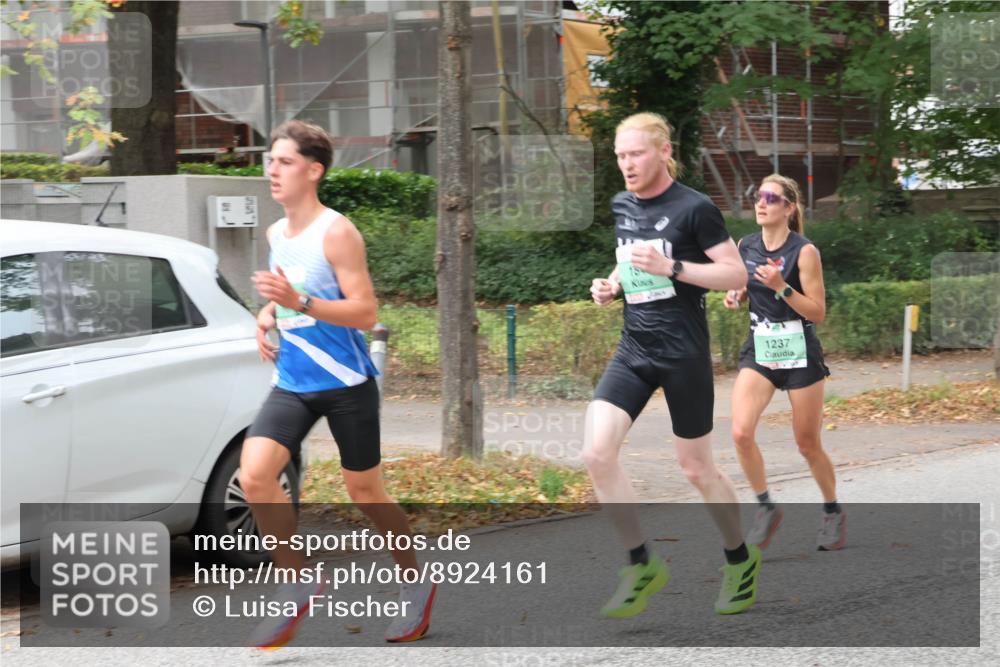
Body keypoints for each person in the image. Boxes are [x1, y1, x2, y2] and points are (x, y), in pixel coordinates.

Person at [242, 120, 436, 647]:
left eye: (283, 161)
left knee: (365, 491)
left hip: (347, 382)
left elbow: (365, 310)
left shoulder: (338, 231)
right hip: (294, 381)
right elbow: (290, 292)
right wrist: (267, 314)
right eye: (270, 161)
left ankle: (416, 585)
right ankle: (297, 581)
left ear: (314, 169)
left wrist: (296, 303)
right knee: (255, 475)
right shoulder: (276, 234)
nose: (272, 170)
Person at [584, 112, 761, 618]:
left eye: (636, 153)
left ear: (664, 152)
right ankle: (640, 564)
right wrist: (611, 283)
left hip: (683, 354)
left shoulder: (695, 208)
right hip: (633, 349)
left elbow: (734, 274)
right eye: (620, 156)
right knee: (597, 454)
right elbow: (628, 255)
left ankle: (738, 559)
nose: (627, 164)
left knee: (696, 467)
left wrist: (674, 268)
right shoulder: (622, 204)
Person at [724, 174, 845, 551]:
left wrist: (781, 286)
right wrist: (737, 294)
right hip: (761, 348)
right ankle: (766, 508)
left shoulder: (804, 252)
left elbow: (818, 311)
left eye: (769, 198)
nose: (760, 202)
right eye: (758, 196)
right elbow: (743, 286)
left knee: (807, 444)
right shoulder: (746, 245)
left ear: (789, 208)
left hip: (799, 352)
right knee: (741, 433)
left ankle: (832, 511)